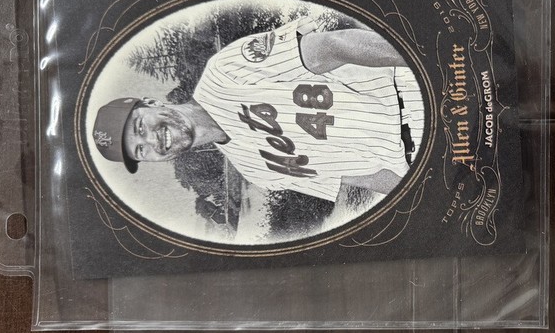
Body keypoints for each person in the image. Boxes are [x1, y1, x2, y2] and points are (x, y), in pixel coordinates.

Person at [92, 19, 424, 202]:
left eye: (139, 127)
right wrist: (425, 191)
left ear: (150, 103)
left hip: (413, 94)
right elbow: (366, 176)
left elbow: (333, 46)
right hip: (417, 161)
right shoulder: (255, 172)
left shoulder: (224, 72)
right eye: (141, 151)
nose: (151, 141)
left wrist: (423, 60)